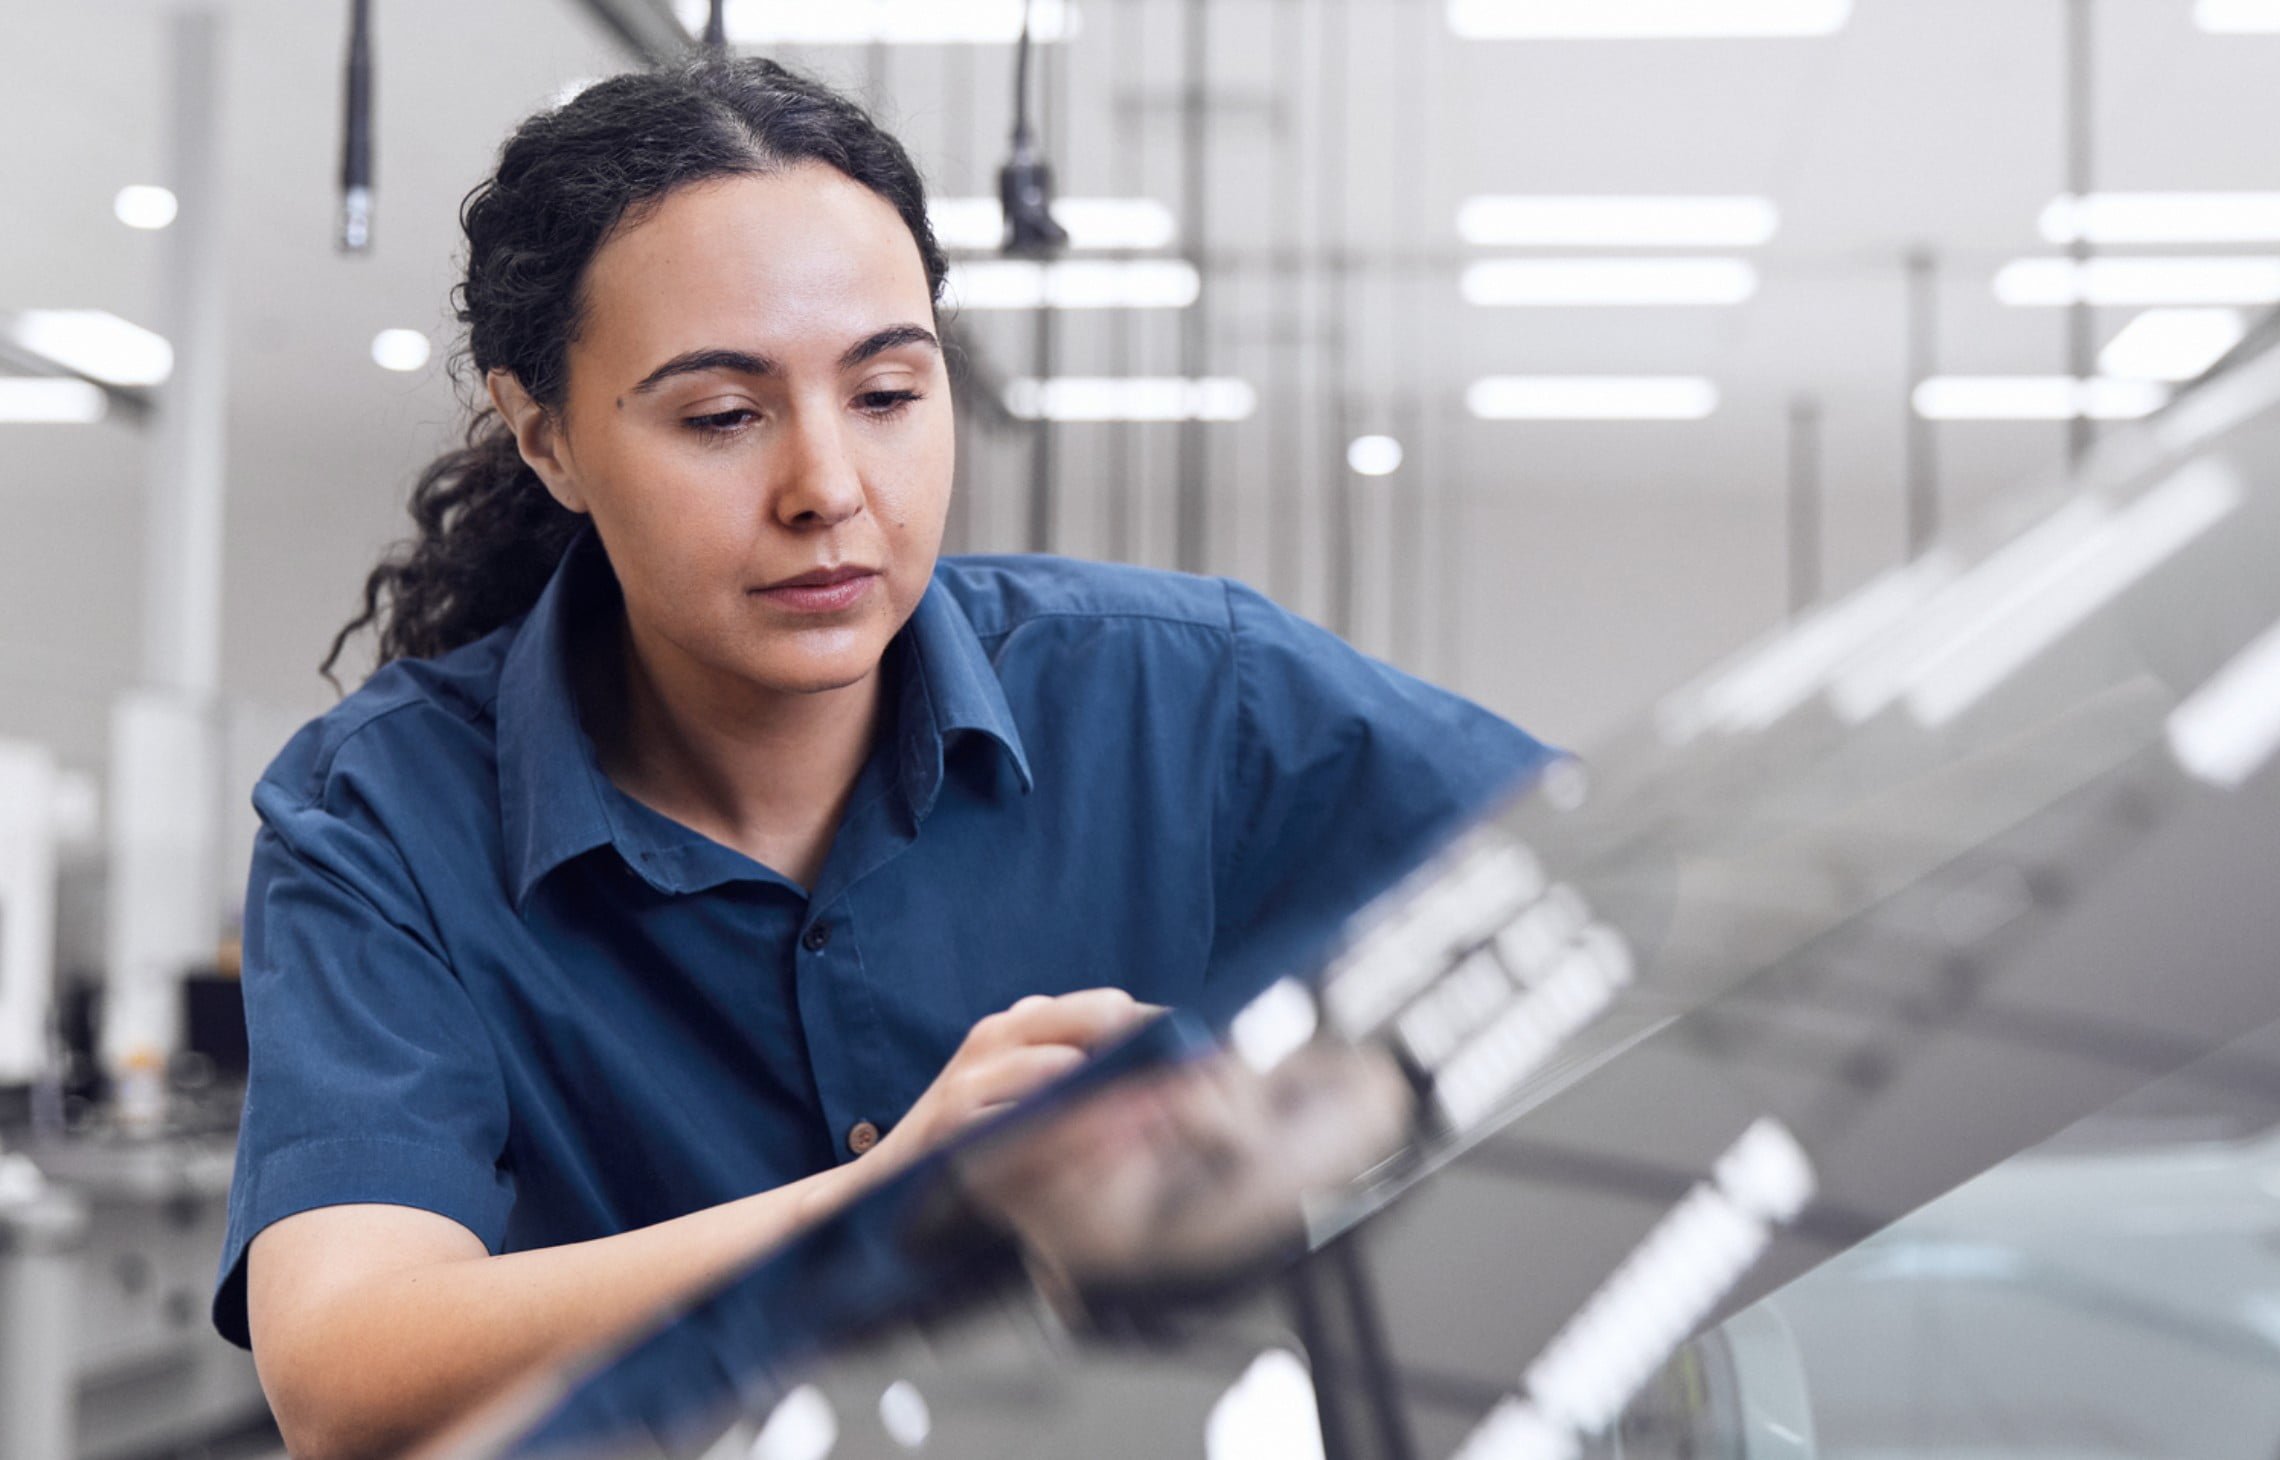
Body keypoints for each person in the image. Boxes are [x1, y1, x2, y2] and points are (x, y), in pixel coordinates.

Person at [216, 54, 1551, 1460]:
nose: (829, 490)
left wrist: (1332, 1099)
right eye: (725, 416)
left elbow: (1645, 916)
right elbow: (346, 1376)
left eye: (890, 395)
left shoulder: (1193, 693)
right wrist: (897, 1201)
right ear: (546, 433)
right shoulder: (380, 813)